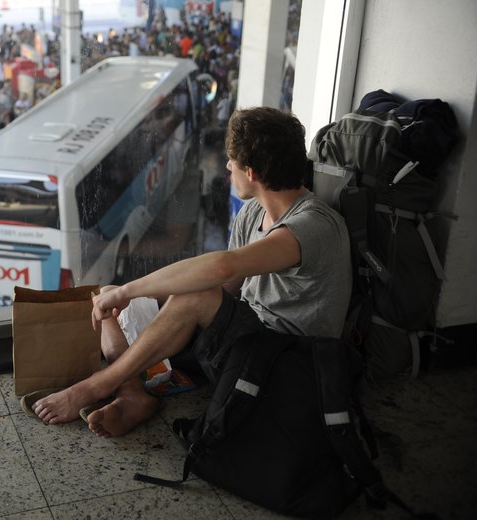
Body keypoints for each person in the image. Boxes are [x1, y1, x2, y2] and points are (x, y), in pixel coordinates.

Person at [31, 107, 352, 438]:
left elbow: (222, 268)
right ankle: (133, 394)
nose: (227, 167)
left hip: (287, 362)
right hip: (246, 342)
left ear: (251, 173)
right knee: (107, 294)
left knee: (189, 295)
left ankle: (96, 387)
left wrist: (133, 292)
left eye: (232, 162)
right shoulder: (254, 212)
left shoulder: (314, 225)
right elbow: (226, 286)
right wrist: (125, 294)